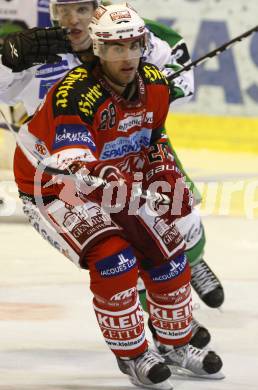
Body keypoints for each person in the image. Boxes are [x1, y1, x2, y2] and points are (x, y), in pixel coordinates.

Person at [13, 4, 224, 389]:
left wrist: (162, 170)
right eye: (114, 48)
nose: (126, 57)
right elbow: (72, 160)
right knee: (115, 258)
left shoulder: (156, 85)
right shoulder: (75, 94)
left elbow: (153, 136)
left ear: (144, 44)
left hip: (110, 177)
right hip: (53, 183)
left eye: (133, 45)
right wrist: (119, 182)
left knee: (169, 249)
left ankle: (174, 342)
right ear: (97, 50)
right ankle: (133, 354)